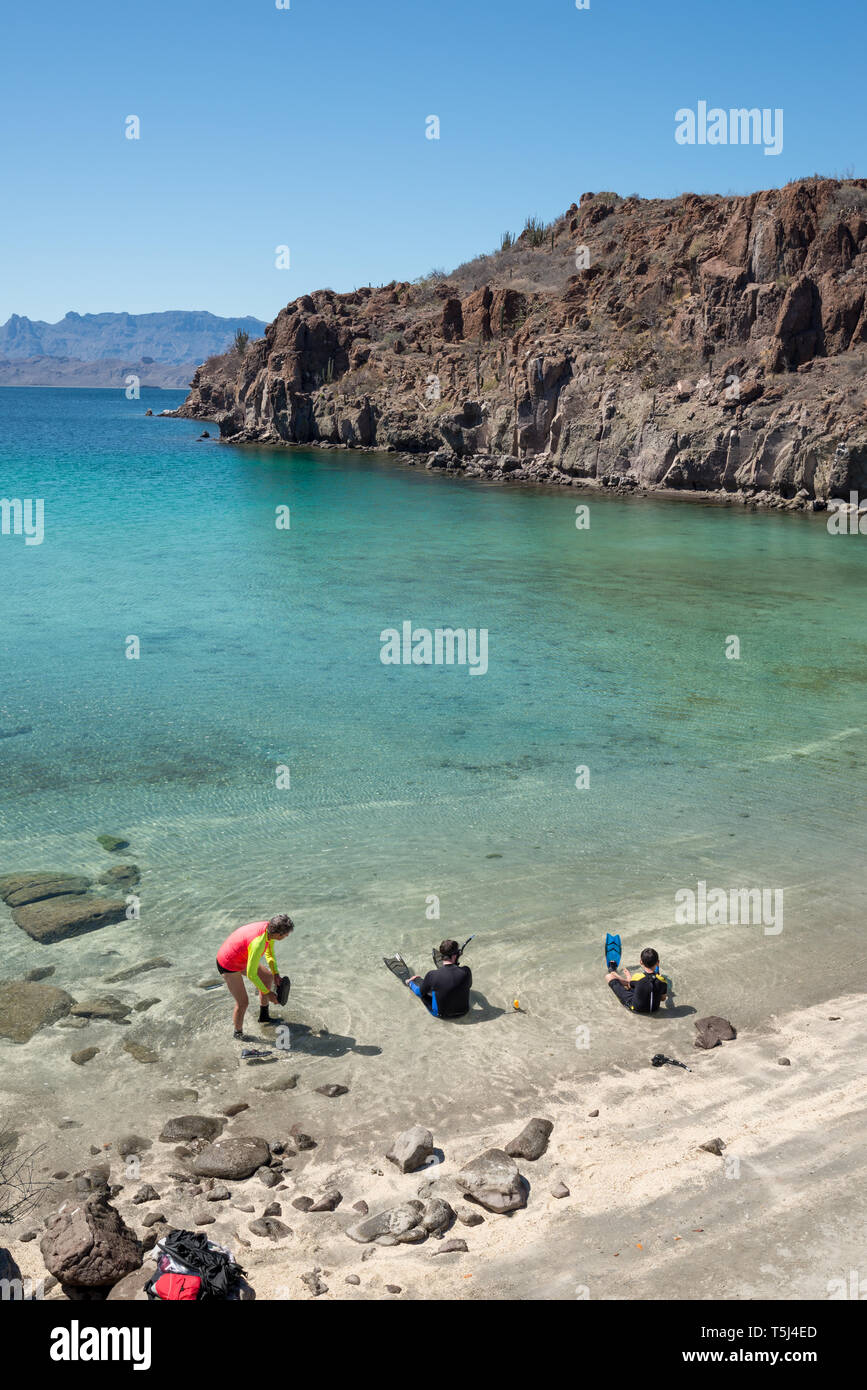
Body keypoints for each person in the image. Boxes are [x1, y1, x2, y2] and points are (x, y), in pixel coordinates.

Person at [216, 914, 294, 1039]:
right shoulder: (258, 943)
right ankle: (238, 1034)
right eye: (286, 934)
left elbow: (269, 952)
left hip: (240, 956)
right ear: (278, 934)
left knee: (268, 977)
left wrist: (275, 973)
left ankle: (264, 1017)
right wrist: (268, 993)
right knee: (243, 1002)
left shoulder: (269, 930)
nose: (287, 936)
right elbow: (252, 974)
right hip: (228, 963)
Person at [406, 939, 472, 1019]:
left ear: (441, 955)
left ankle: (412, 982)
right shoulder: (466, 971)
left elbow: (419, 993)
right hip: (464, 1012)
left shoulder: (432, 975)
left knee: (423, 989)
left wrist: (410, 983)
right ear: (456, 955)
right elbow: (469, 986)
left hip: (442, 1015)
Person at [606, 946, 668, 1014]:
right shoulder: (663, 981)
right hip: (655, 1009)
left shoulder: (637, 977)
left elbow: (629, 986)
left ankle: (612, 971)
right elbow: (663, 999)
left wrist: (628, 976)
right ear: (658, 962)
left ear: (641, 962)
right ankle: (618, 974)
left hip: (635, 1008)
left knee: (609, 977)